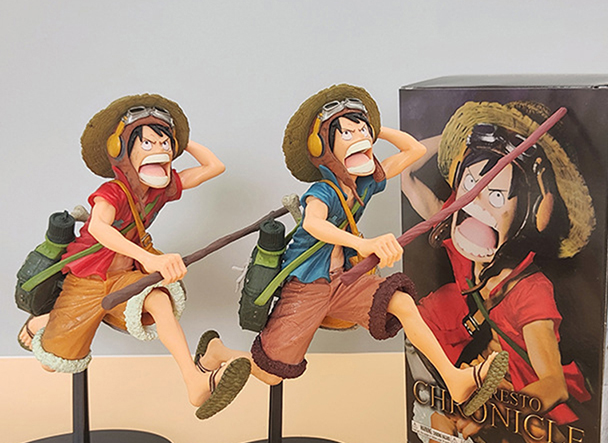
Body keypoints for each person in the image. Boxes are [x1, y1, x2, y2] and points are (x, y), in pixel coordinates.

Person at [198, 84, 507, 410]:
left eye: (362, 131)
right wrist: (364, 243)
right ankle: (218, 352)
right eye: (346, 132)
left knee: (402, 303)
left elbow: (413, 150)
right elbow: (313, 224)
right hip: (307, 286)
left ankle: (455, 379)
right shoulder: (323, 191)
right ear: (323, 146)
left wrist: (372, 129)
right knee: (272, 374)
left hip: (344, 281)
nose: (359, 138)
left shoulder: (364, 183)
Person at [402, 101, 596, 443]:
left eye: (495, 194)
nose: (478, 204)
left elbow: (553, 385)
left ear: (528, 212)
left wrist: (490, 408)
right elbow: (407, 176)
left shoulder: (531, 290)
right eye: (472, 184)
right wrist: (458, 139)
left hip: (524, 406)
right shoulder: (460, 240)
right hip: (469, 383)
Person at [17, 94, 250, 415]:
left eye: (165, 144)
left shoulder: (160, 189)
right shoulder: (112, 191)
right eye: (148, 144)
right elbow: (99, 228)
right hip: (88, 279)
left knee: (159, 301)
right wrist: (151, 260)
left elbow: (214, 167)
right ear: (122, 152)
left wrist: (179, 139)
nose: (160, 151)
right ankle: (46, 321)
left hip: (124, 276)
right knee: (52, 362)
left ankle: (194, 381)